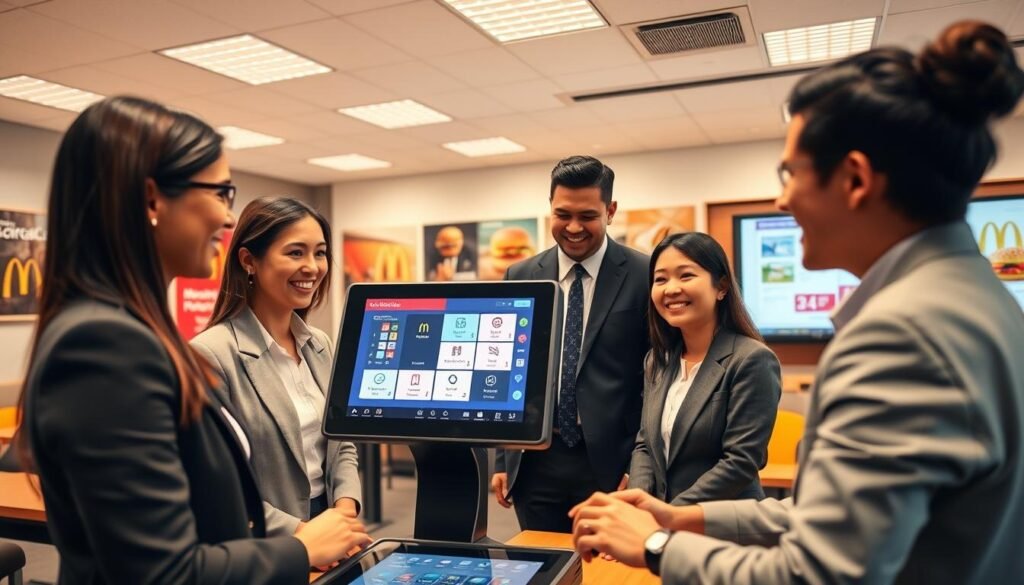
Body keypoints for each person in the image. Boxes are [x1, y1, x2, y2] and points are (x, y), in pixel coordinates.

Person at [569, 21, 1024, 584]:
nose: (782, 200)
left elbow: (822, 571)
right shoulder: (976, 299)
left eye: (789, 174)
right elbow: (831, 517)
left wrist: (657, 545)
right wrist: (680, 517)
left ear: (855, 179)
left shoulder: (902, 335)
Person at [19, 96, 371, 584]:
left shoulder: (129, 334)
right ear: (152, 200)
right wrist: (300, 547)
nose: (228, 219)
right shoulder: (103, 347)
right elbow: (162, 572)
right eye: (221, 193)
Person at [492, 155, 650, 532]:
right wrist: (502, 459)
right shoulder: (521, 275)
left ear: (610, 211)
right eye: (563, 214)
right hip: (535, 461)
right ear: (550, 207)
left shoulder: (644, 274)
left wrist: (641, 468)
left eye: (587, 216)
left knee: (605, 560)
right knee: (541, 558)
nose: (574, 227)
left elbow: (655, 381)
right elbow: (507, 370)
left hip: (612, 463)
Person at [191, 196, 362, 536]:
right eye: (295, 253)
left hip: (331, 525)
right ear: (248, 261)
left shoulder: (320, 344)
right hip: (267, 538)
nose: (312, 267)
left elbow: (341, 443)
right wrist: (302, 534)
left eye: (320, 253)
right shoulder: (210, 355)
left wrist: (344, 513)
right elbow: (215, 483)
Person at [628, 232, 781, 505]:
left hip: (722, 521)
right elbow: (645, 445)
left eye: (686, 275)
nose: (671, 289)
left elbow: (741, 462)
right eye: (660, 279)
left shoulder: (752, 359)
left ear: (721, 286)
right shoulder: (657, 360)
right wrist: (638, 502)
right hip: (660, 522)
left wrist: (669, 514)